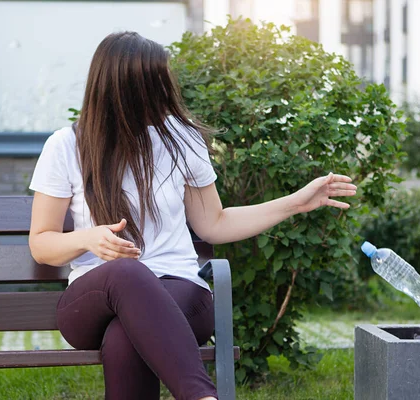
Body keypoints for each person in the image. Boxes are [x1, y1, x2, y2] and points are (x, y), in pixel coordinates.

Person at [27, 32, 357, 400]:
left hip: (180, 291)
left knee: (125, 337)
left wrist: (296, 202)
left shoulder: (180, 139)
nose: (165, 96)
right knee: (128, 272)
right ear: (123, 91)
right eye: (154, 87)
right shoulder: (66, 146)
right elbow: (42, 243)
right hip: (92, 299)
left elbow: (213, 224)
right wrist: (87, 239)